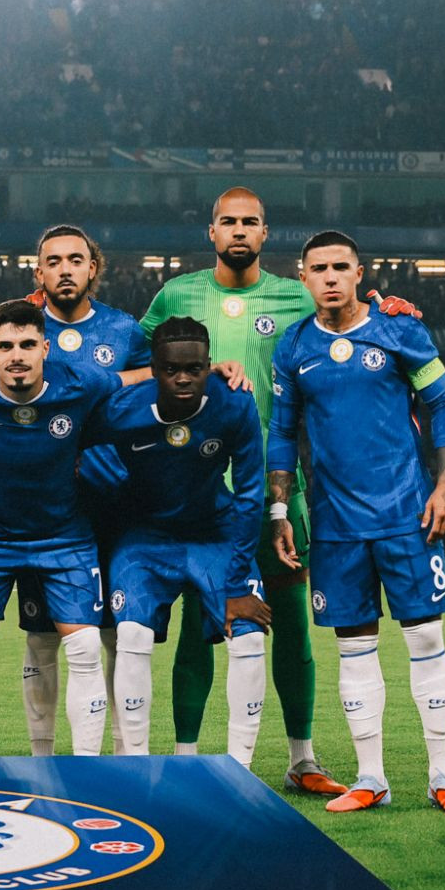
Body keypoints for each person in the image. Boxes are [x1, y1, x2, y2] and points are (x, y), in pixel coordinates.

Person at [139, 187, 417, 790]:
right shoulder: (176, 296)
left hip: (277, 489)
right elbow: (130, 370)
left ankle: (302, 759)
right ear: (211, 231)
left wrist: (386, 305)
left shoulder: (295, 296)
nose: (239, 230)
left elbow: (348, 313)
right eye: (228, 221)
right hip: (199, 489)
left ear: (266, 234)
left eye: (251, 222)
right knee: (198, 623)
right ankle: (186, 758)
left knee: (292, 621)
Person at [267, 231, 445, 816]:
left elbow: (444, 402)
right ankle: (371, 778)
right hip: (336, 524)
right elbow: (282, 432)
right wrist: (281, 510)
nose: (331, 277)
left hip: (408, 515)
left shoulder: (399, 329)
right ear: (303, 277)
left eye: (341, 267)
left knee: (426, 639)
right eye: (319, 269)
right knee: (354, 648)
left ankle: (444, 777)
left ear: (359, 273)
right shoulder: (294, 346)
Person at [0, 299, 120, 756]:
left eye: (28, 345)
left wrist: (216, 371)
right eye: (5, 346)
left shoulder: (82, 382)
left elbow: (138, 381)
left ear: (45, 348)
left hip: (64, 537)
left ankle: (85, 770)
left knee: (85, 648)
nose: (17, 356)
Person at [89, 317, 272, 762]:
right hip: (145, 538)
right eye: (171, 370)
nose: (183, 379)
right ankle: (136, 763)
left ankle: (240, 770)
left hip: (215, 532)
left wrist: (235, 585)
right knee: (131, 633)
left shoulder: (235, 403)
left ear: (210, 366)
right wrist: (106, 480)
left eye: (194, 368)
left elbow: (251, 494)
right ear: (153, 369)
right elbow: (70, 441)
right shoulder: (121, 409)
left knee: (250, 638)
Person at [17, 223, 151, 755]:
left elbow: (159, 378)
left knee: (114, 633)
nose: (65, 269)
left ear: (92, 268)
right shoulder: (22, 330)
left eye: (76, 260)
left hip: (112, 500)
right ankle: (42, 756)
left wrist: (109, 385)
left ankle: (118, 755)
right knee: (41, 636)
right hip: (41, 504)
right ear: (39, 272)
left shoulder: (124, 330)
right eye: (53, 261)